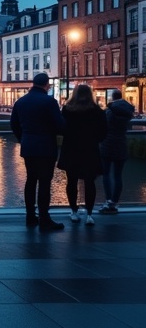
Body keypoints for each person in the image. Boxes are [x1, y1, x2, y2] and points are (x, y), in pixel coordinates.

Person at [10, 72, 66, 231]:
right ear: (47, 85)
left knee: (30, 180)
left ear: (33, 83)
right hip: (46, 147)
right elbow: (60, 126)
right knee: (44, 182)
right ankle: (44, 218)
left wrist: (23, 138)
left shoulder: (21, 101)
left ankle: (30, 216)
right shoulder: (49, 102)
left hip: (28, 146)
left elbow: (14, 124)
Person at [57, 84, 107, 225]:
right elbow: (103, 132)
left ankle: (74, 211)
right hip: (90, 149)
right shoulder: (97, 111)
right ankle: (90, 214)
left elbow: (62, 128)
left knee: (71, 181)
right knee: (90, 182)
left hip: (71, 149)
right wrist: (94, 140)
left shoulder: (67, 110)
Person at [99, 90, 135, 214]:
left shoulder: (109, 111)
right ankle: (114, 202)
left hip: (108, 144)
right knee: (118, 175)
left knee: (106, 174)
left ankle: (108, 200)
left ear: (112, 98)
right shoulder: (128, 111)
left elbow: (103, 125)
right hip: (121, 144)